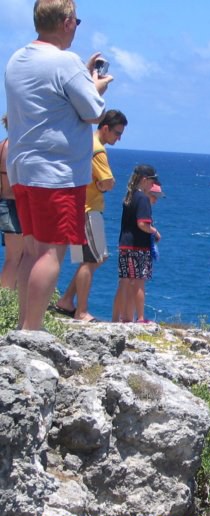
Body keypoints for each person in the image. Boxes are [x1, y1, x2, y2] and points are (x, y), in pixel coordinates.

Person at [4, 0, 111, 330]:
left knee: (32, 250)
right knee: (52, 252)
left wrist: (81, 71)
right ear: (66, 23)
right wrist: (95, 82)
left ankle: (25, 324)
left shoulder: (17, 59)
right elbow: (93, 110)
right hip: (57, 173)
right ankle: (32, 329)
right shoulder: (65, 62)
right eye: (76, 22)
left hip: (23, 167)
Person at [54, 109, 127, 322]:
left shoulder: (84, 142)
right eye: (117, 133)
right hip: (88, 208)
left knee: (96, 257)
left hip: (77, 206)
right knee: (90, 259)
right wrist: (103, 185)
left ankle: (67, 300)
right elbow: (108, 182)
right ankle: (81, 311)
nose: (119, 138)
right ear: (105, 128)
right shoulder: (98, 150)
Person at [113, 165, 161, 323]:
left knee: (125, 282)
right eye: (152, 180)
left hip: (125, 244)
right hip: (138, 246)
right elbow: (142, 223)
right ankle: (140, 317)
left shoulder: (130, 195)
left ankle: (121, 317)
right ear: (145, 180)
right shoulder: (142, 198)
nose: (152, 184)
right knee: (139, 282)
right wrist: (154, 232)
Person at [0, 114, 23, 290]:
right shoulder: (15, 148)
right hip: (11, 204)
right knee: (15, 257)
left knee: (17, 256)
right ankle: (5, 300)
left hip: (6, 203)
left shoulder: (2, 146)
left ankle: (11, 297)